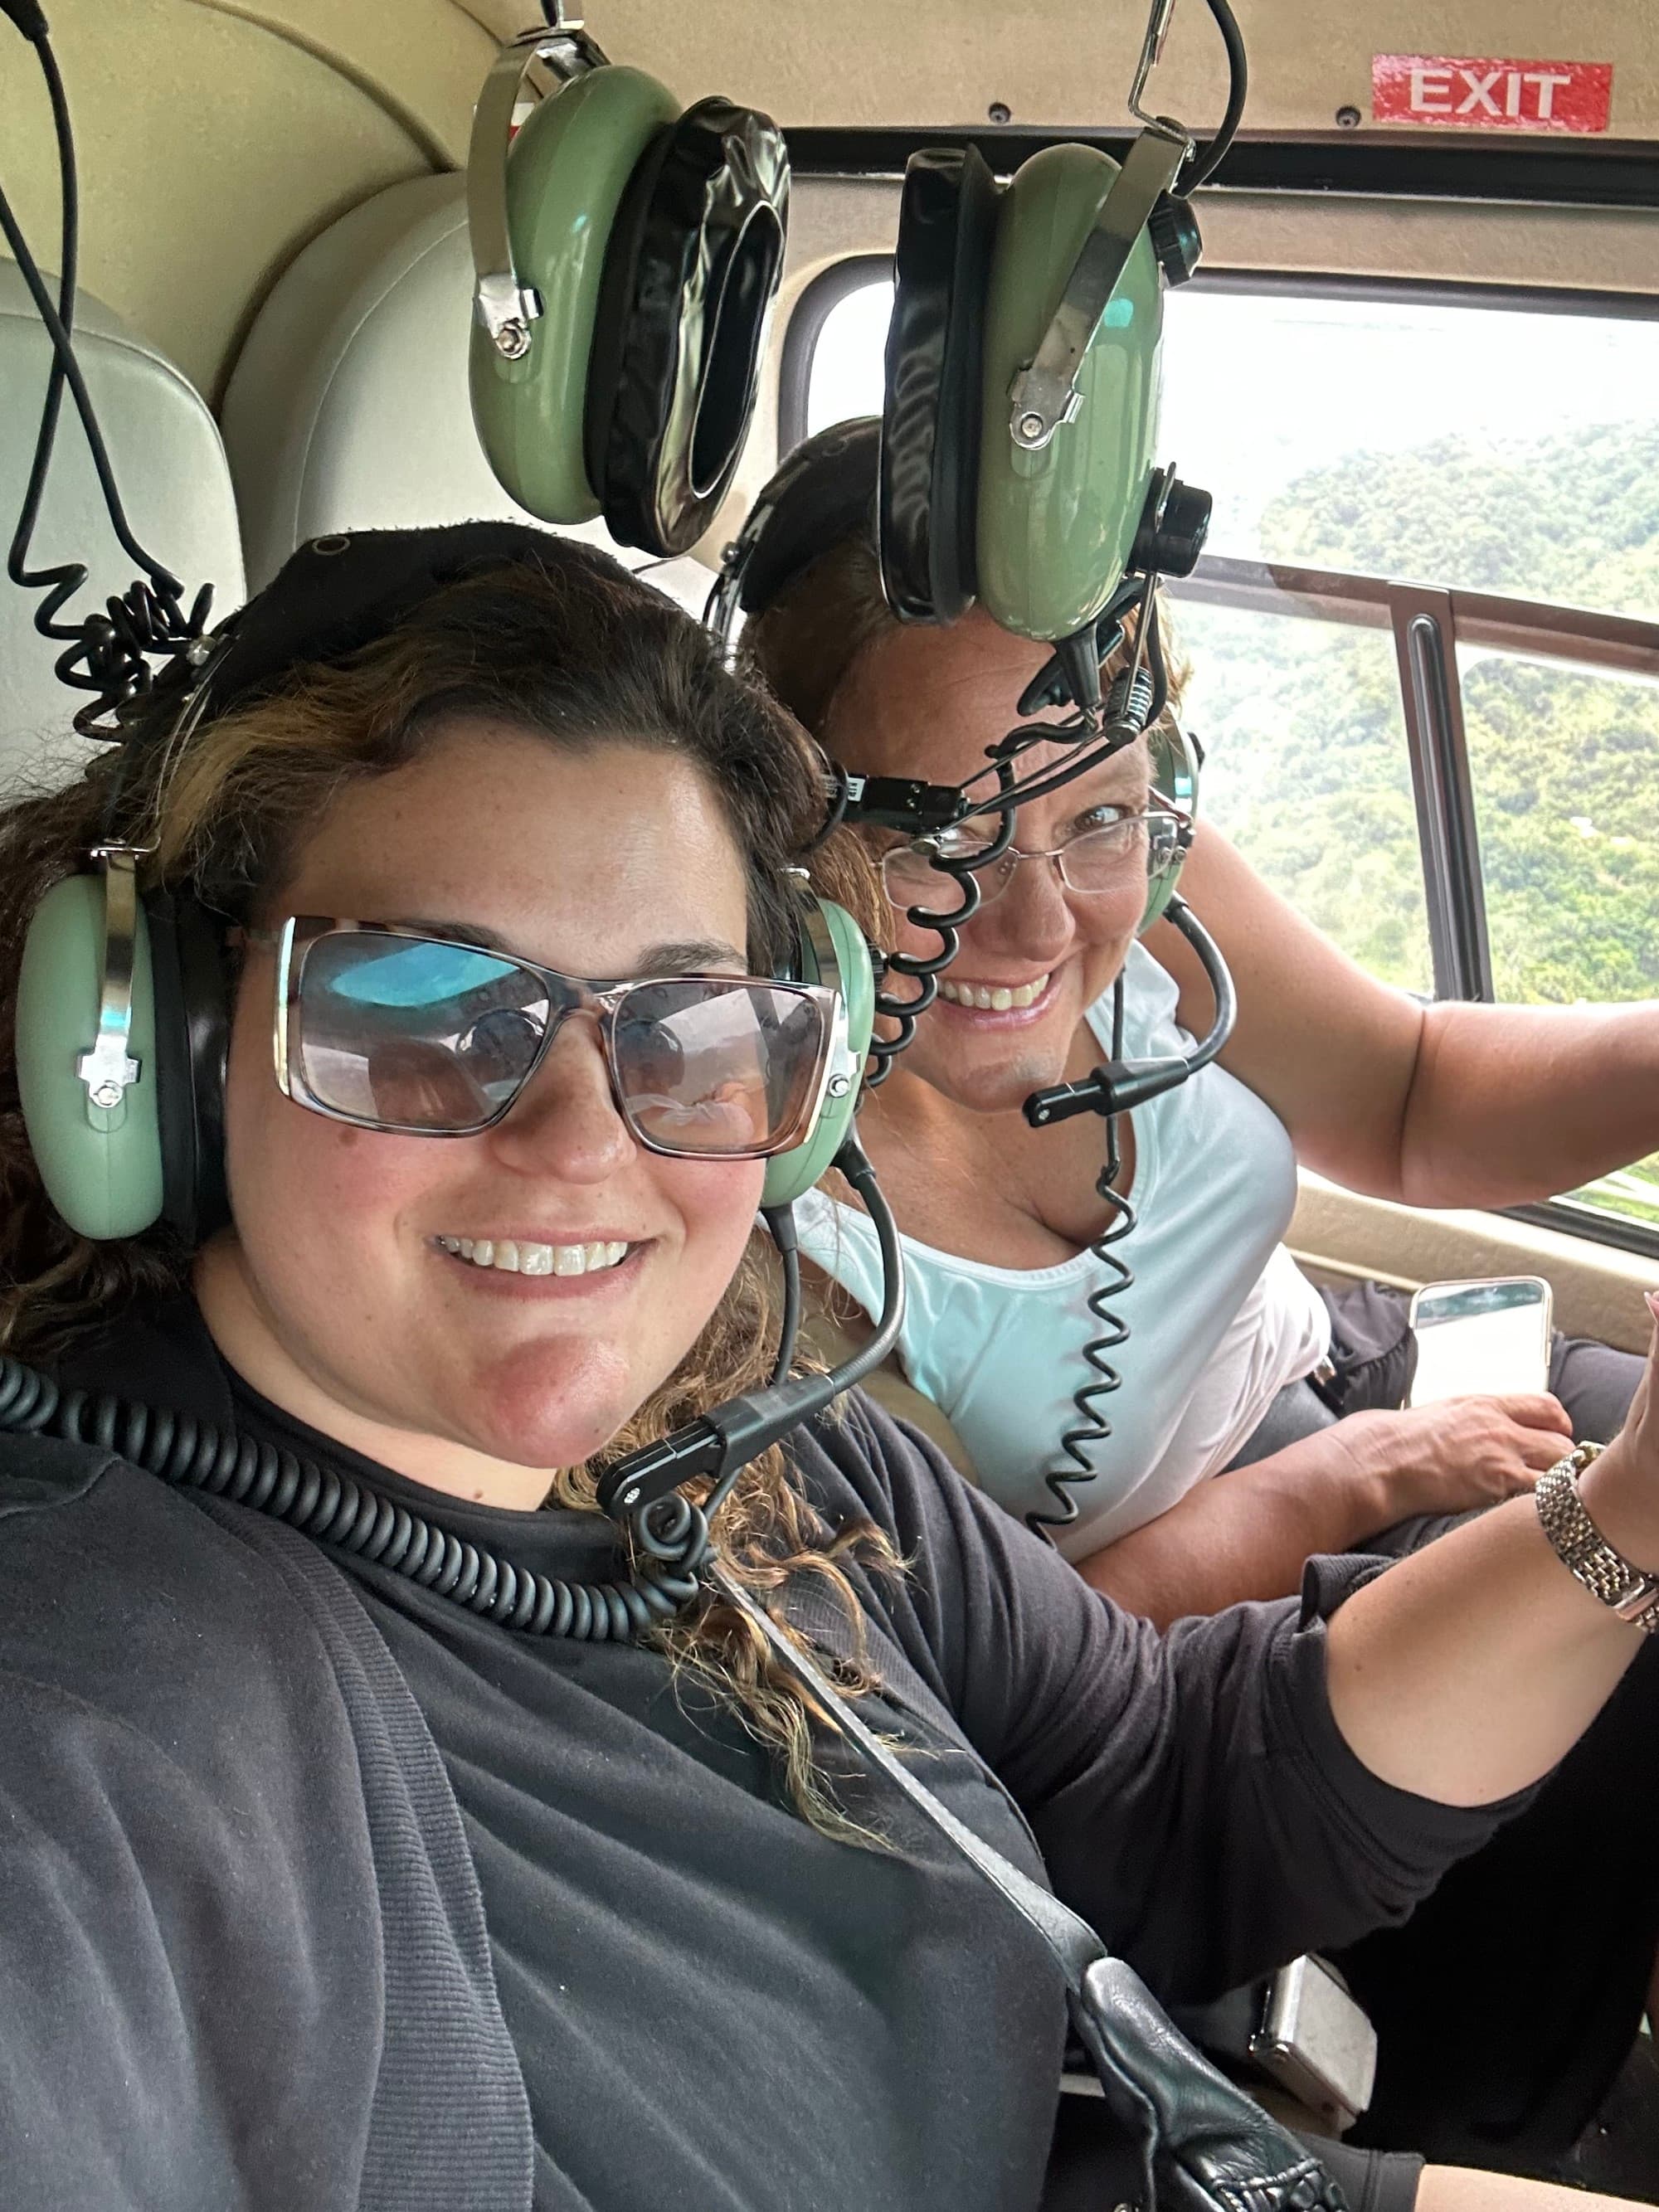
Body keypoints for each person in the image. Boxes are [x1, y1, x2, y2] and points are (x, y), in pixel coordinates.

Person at [1, 523, 1657, 2212]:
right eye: (426, 1012)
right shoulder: (103, 1706)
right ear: (158, 1050)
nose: (583, 1141)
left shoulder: (751, 1434)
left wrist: (1633, 1513)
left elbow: (1170, 1783)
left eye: (687, 1023)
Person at [741, 464, 1659, 2176]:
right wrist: (1363, 1477)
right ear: (776, 817)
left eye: (1098, 818)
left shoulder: (1119, 856)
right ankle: (1493, 2127)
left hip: (1335, 1367)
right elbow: (1011, 1665)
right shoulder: (749, 1202)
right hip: (1158, 1642)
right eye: (933, 837)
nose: (1036, 920)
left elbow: (1410, 1094)